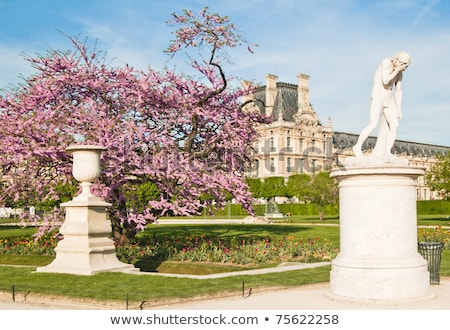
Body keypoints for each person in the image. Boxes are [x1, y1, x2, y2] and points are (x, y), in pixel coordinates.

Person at [353, 51, 410, 159]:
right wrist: (397, 70)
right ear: (397, 60)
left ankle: (387, 152)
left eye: (406, 66)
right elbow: (385, 80)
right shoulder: (386, 62)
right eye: (403, 64)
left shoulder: (400, 73)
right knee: (372, 124)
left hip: (389, 97)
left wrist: (399, 108)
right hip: (378, 95)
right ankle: (357, 146)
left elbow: (398, 91)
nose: (404, 68)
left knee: (394, 125)